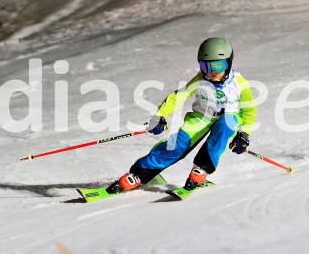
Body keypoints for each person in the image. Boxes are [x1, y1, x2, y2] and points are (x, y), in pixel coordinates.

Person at [108, 37, 257, 193]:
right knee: (178, 146)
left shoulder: (239, 84)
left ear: (229, 63)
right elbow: (179, 96)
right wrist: (160, 115)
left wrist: (244, 134)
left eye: (218, 65)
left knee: (225, 125)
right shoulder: (201, 79)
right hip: (201, 117)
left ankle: (202, 169)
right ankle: (139, 174)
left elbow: (249, 110)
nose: (212, 71)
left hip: (229, 117)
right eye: (205, 66)